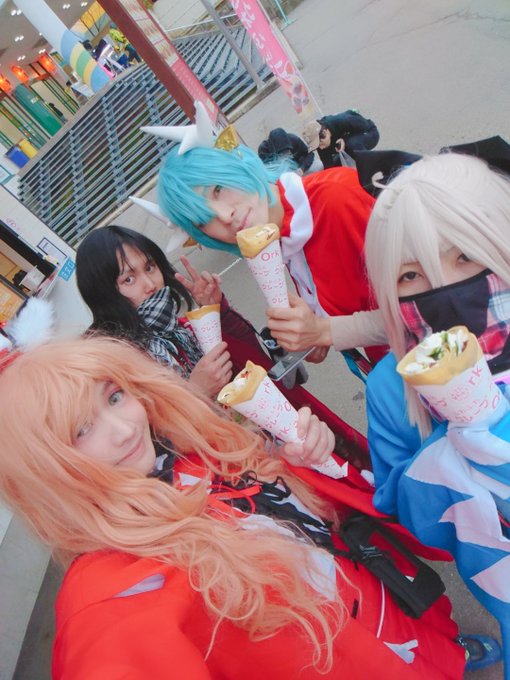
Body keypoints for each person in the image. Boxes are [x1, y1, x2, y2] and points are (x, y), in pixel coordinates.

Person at [0, 334, 480, 678]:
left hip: (380, 612)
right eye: (81, 430)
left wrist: (304, 465)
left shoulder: (188, 453)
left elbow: (310, 525)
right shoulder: (108, 597)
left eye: (114, 397)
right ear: (45, 472)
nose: (124, 430)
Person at [363, 152, 510, 671]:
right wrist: (452, 445)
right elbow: (419, 522)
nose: (442, 288)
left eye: (464, 255)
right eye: (410, 274)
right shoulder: (391, 386)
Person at [155, 124, 386, 363]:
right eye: (204, 220)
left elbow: (412, 310)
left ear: (238, 164)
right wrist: (309, 336)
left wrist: (325, 331)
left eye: (219, 188)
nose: (225, 216)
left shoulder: (336, 198)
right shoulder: (284, 236)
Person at [76, 225, 234, 398]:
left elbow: (246, 371)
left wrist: (216, 313)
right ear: (104, 295)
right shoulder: (115, 369)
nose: (150, 285)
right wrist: (197, 391)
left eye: (149, 268)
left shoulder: (180, 329)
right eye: (129, 279)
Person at [303, 110, 379, 169]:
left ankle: (373, 167)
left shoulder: (342, 120)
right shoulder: (319, 143)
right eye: (317, 147)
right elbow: (328, 165)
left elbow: (365, 125)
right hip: (345, 143)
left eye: (321, 144)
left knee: (351, 144)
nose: (321, 148)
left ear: (325, 133)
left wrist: (345, 139)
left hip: (369, 132)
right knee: (336, 163)